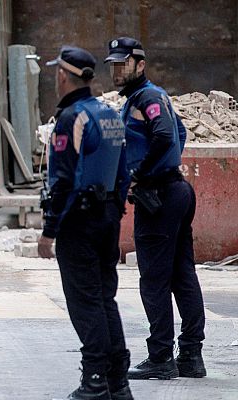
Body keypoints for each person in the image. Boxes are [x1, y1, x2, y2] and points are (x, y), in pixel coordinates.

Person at [105, 37, 206, 380]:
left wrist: (140, 174)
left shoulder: (147, 96)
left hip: (161, 196)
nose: (118, 70)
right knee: (182, 274)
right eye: (114, 64)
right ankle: (191, 356)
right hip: (174, 191)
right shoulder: (145, 98)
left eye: (124, 63)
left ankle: (162, 357)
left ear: (140, 64)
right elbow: (180, 131)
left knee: (154, 281)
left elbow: (165, 135)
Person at [38, 46, 133, 400]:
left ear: (63, 75)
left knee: (84, 301)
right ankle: (117, 381)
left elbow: (62, 180)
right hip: (107, 216)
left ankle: (95, 379)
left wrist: (49, 231)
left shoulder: (71, 117)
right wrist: (115, 209)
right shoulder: (109, 113)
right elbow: (124, 171)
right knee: (105, 298)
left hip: (78, 222)